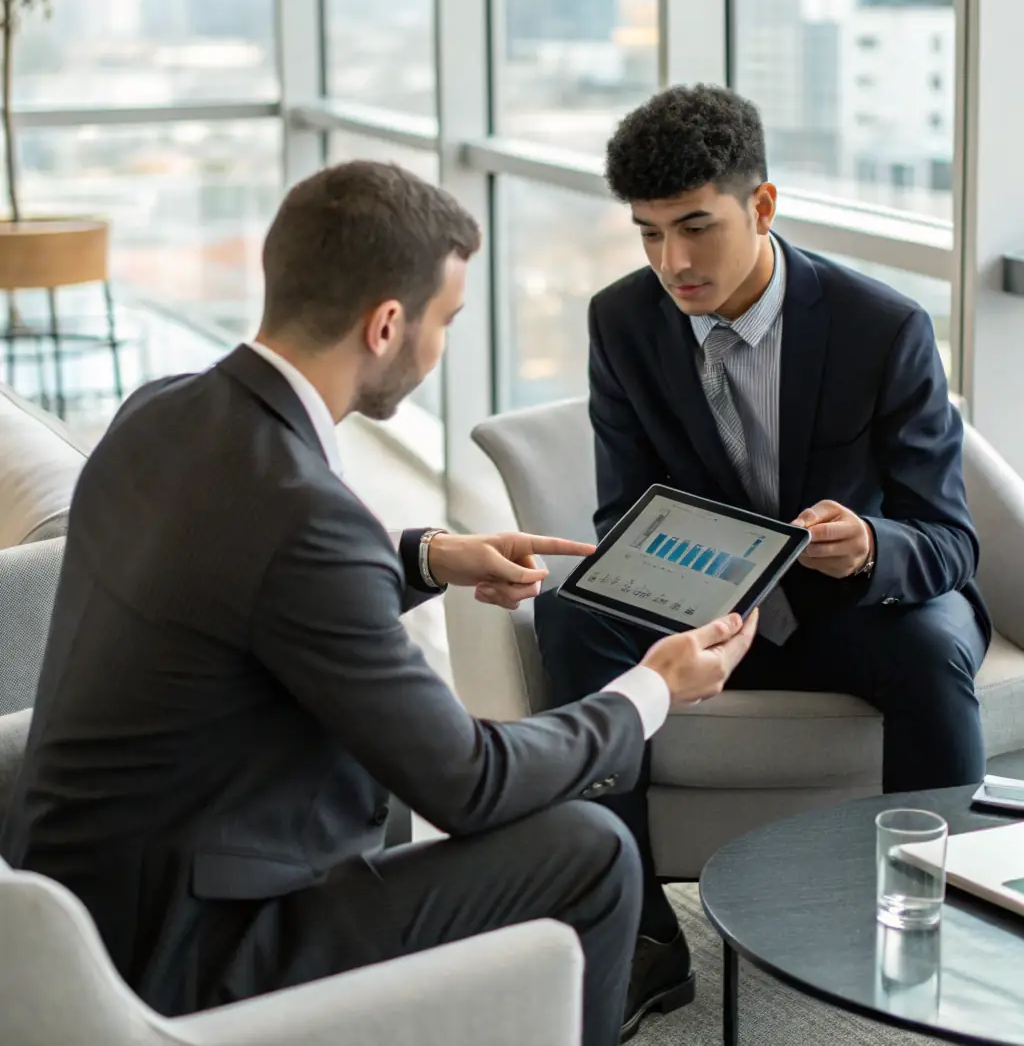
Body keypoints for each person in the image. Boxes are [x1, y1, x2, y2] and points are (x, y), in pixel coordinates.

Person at [1, 160, 758, 1046]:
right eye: (444, 322)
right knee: (590, 852)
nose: (439, 350)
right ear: (387, 324)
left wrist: (427, 556)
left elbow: (242, 578)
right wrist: (652, 689)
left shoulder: (161, 414)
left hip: (76, 907)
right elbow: (470, 781)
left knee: (368, 773)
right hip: (187, 956)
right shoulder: (305, 513)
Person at [534, 83, 990, 1009]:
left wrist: (866, 545)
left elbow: (949, 539)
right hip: (705, 610)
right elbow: (624, 512)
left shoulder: (882, 327)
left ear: (763, 205)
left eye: (696, 226)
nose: (674, 261)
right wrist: (683, 575)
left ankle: (937, 925)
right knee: (569, 613)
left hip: (844, 610)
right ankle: (641, 937)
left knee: (935, 645)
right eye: (650, 233)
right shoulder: (621, 321)